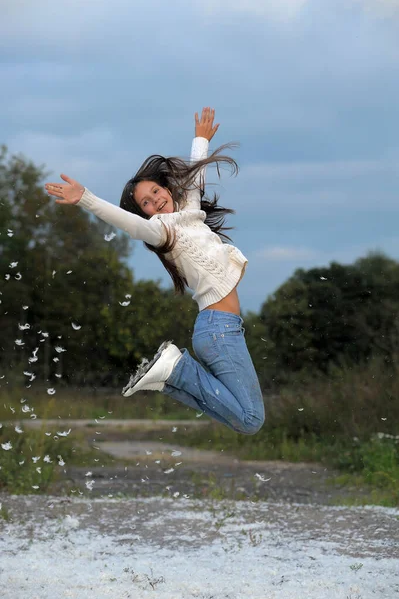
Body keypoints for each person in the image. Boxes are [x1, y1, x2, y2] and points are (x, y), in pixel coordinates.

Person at [45, 107, 265, 435]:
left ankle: (170, 378)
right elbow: (130, 224)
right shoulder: (162, 231)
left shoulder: (189, 211)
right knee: (251, 420)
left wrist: (200, 139)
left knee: (244, 418)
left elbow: (195, 180)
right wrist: (86, 199)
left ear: (167, 190)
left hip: (220, 329)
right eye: (145, 203)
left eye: (155, 193)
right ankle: (177, 369)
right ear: (145, 214)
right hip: (218, 331)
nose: (154, 202)